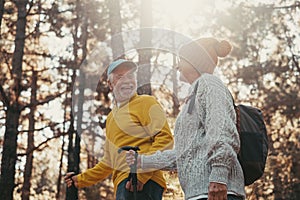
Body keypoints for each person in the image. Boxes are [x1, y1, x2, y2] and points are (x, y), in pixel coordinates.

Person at [126, 38, 246, 200]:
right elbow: (185, 154)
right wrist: (143, 162)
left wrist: (219, 175)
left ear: (194, 61)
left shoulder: (210, 84)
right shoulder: (193, 95)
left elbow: (222, 129)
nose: (178, 65)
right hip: (199, 194)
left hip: (218, 192)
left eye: (182, 59)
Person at [65, 59, 174, 200]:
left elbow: (165, 139)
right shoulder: (111, 118)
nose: (127, 81)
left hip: (146, 183)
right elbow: (109, 161)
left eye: (130, 76)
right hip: (122, 185)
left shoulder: (146, 102)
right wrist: (79, 180)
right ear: (110, 84)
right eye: (120, 77)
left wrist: (141, 175)